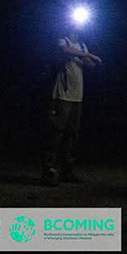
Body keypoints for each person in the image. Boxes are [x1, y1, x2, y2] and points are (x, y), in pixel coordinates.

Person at [41, 29, 102, 186]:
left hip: (77, 97)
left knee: (71, 135)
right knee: (56, 134)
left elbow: (90, 65)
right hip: (62, 95)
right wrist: (89, 55)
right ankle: (49, 171)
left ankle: (66, 170)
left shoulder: (82, 45)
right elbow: (66, 50)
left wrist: (87, 57)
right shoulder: (62, 41)